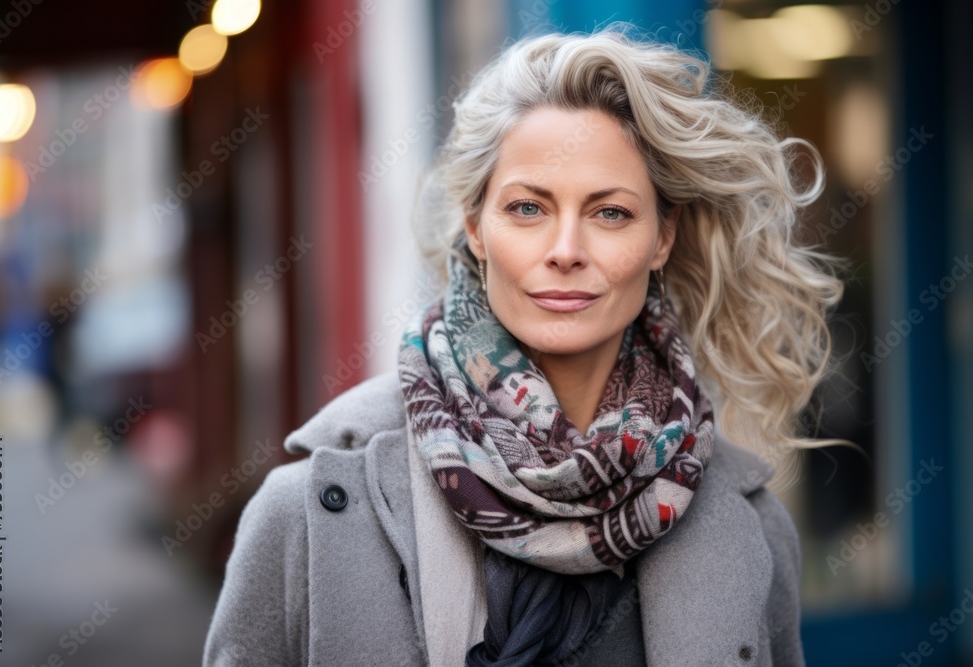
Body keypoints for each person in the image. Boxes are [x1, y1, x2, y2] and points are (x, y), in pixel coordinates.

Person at [204, 24, 846, 667]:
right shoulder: (306, 515)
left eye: (610, 212)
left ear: (662, 238)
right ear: (475, 225)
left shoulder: (752, 528)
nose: (565, 251)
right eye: (528, 209)